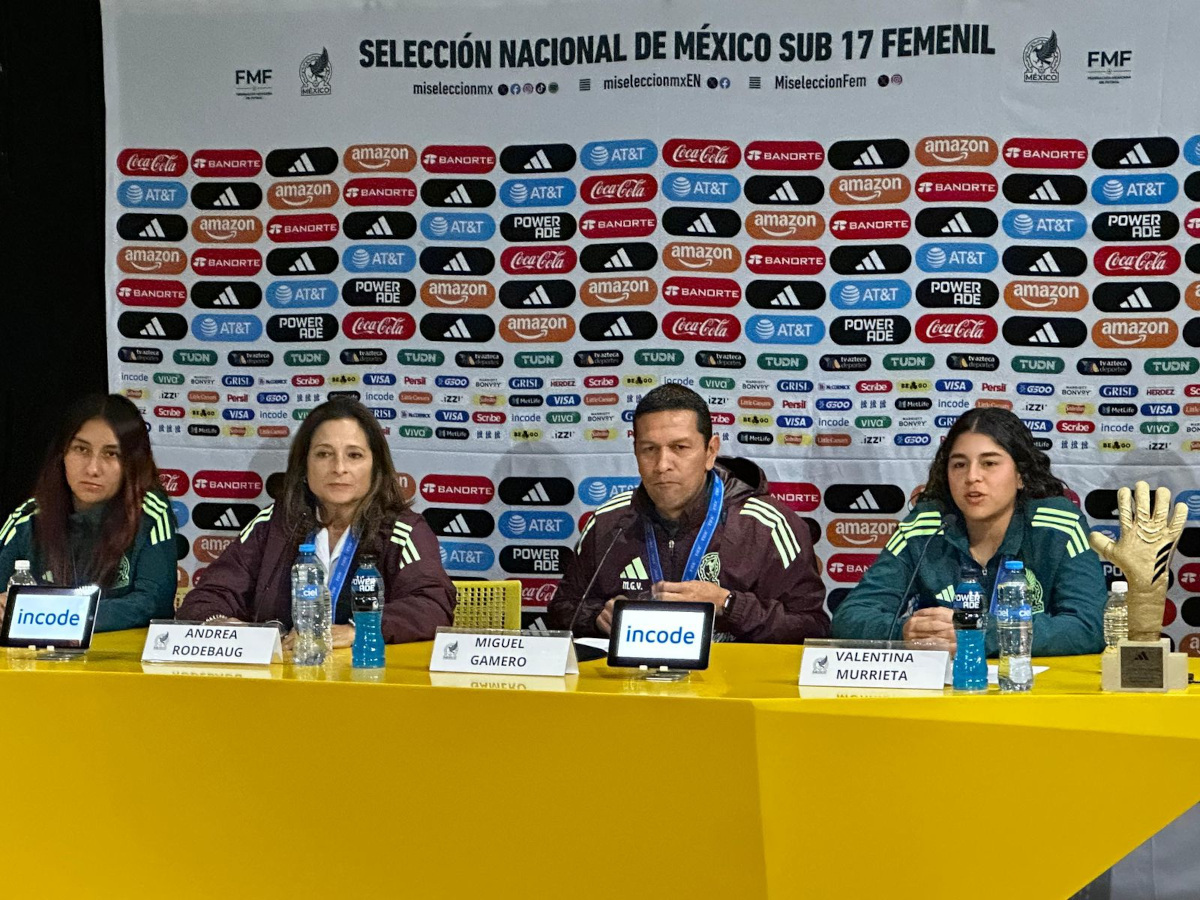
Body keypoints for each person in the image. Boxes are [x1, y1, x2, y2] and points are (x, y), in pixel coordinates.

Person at [548, 383, 827, 643]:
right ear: (635, 452)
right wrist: (596, 618)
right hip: (635, 690)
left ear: (710, 451)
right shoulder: (608, 522)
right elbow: (561, 611)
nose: (662, 464)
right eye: (649, 449)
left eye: (679, 448)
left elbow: (812, 628)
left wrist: (728, 605)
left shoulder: (768, 525)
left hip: (730, 690)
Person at [176, 397, 454, 645]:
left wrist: (357, 631)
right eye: (324, 454)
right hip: (279, 683)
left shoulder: (403, 531)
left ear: (376, 467)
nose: (339, 468)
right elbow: (208, 596)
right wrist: (223, 626)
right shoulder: (273, 524)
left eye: (354, 455)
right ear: (304, 466)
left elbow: (432, 605)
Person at [832, 407, 1105, 655]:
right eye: (959, 464)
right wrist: (906, 632)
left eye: (989, 463)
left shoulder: (1057, 524)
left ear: (1021, 475)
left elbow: (1089, 626)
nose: (972, 476)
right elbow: (850, 616)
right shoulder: (925, 526)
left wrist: (978, 633)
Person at [0, 393, 177, 631]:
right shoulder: (29, 516)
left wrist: (53, 613)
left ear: (133, 461)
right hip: (37, 661)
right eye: (81, 450)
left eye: (111, 454)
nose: (93, 468)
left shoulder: (150, 513)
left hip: (117, 662)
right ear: (62, 454)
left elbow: (153, 604)